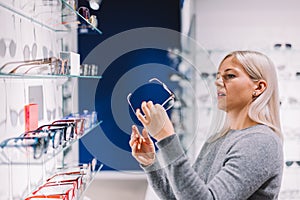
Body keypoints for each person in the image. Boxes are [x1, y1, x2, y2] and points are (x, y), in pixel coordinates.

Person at [129, 50, 284, 200]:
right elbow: (181, 195)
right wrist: (150, 162)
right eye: (217, 77)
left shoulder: (261, 142)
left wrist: (167, 138)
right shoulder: (217, 139)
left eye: (229, 76)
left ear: (258, 87)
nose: (217, 82)